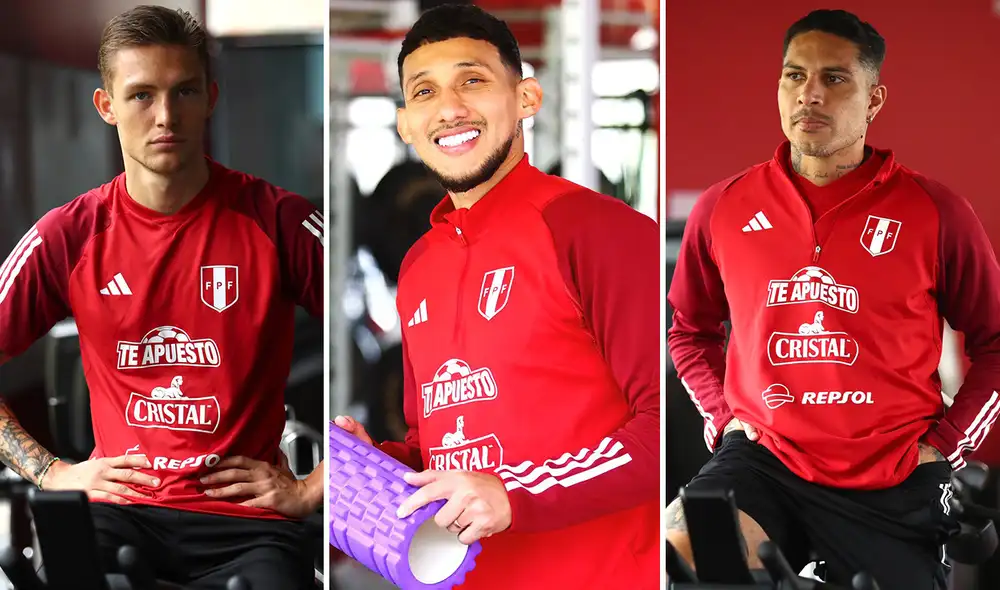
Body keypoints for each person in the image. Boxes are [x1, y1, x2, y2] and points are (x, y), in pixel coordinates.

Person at [666, 9, 1000, 590]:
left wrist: (946, 445)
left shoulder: (935, 210)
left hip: (892, 472)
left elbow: (998, 343)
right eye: (794, 76)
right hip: (767, 457)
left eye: (835, 79)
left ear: (874, 98)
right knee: (690, 545)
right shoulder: (724, 206)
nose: (809, 95)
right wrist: (724, 418)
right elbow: (688, 330)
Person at [332, 4, 659, 589]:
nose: (450, 107)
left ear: (527, 99)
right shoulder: (418, 266)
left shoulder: (599, 231)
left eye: (473, 81)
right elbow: (436, 447)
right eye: (425, 92)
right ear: (407, 124)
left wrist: (513, 495)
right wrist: (376, 467)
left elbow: (660, 431)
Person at [0, 6, 324, 589]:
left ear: (211, 97)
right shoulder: (67, 235)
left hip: (249, 523)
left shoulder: (280, 222)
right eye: (142, 95)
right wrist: (51, 473)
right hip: (119, 515)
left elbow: (410, 350)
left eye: (184, 91)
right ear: (106, 107)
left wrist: (314, 484)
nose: (166, 116)